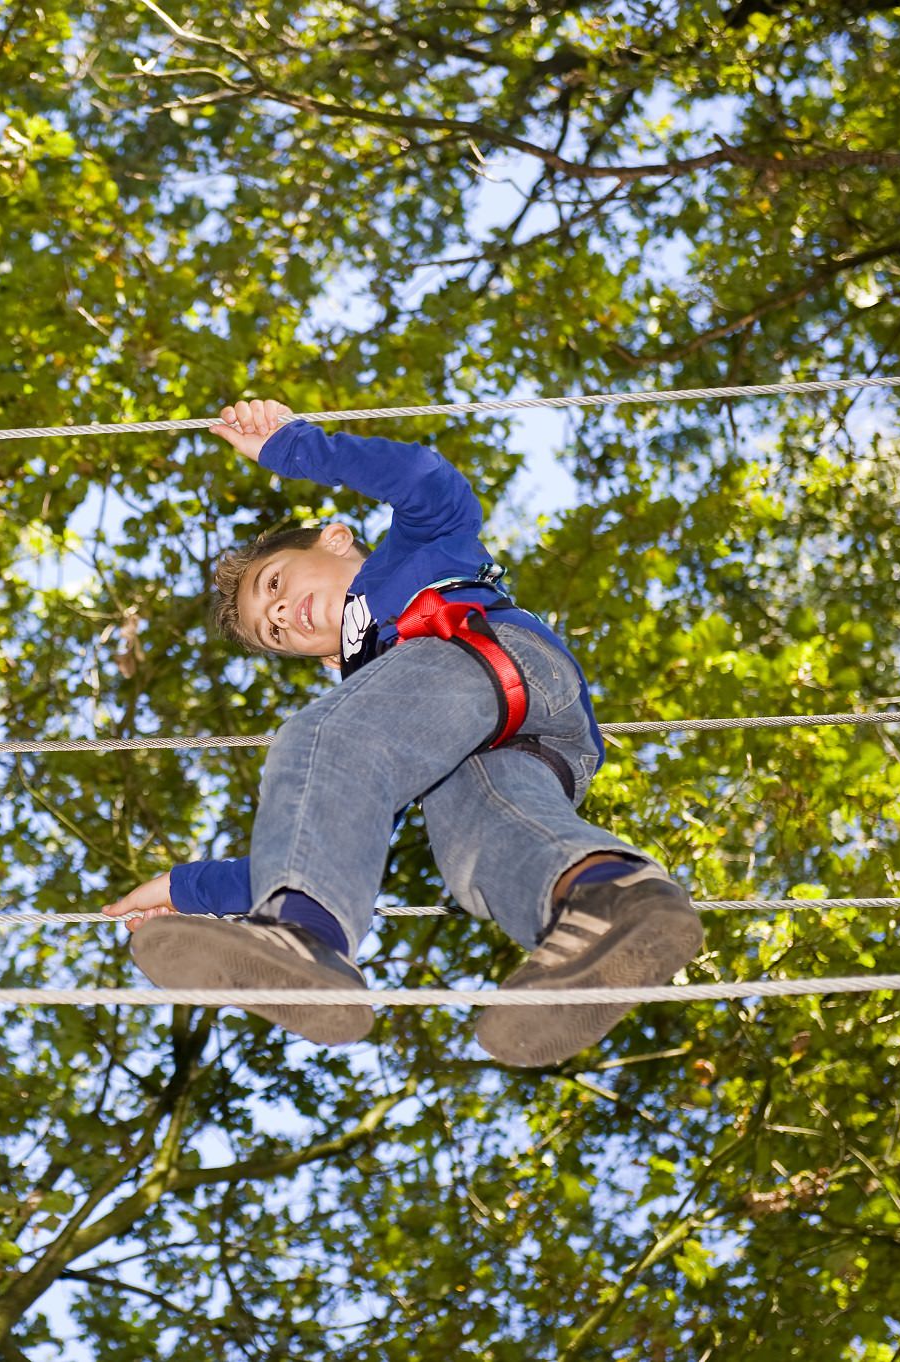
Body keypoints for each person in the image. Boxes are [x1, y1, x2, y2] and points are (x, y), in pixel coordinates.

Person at [104, 399, 702, 1067]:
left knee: (318, 741)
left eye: (274, 585)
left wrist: (293, 448)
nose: (280, 613)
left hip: (488, 654)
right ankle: (610, 898)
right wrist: (189, 888)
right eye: (274, 632)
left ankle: (302, 936)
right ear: (327, 658)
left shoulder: (418, 547)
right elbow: (331, 832)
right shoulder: (368, 692)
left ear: (333, 537)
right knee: (475, 843)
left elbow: (423, 475)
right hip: (520, 748)